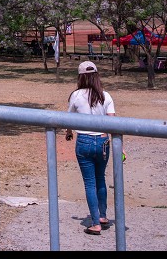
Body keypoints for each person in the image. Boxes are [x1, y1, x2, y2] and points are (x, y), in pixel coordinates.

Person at [64, 60, 117, 236]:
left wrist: (69, 132)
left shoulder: (76, 95)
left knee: (89, 182)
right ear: (96, 76)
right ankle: (102, 215)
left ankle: (95, 223)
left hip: (84, 141)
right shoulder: (105, 95)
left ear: (81, 77)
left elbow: (69, 118)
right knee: (100, 178)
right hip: (103, 141)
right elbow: (113, 121)